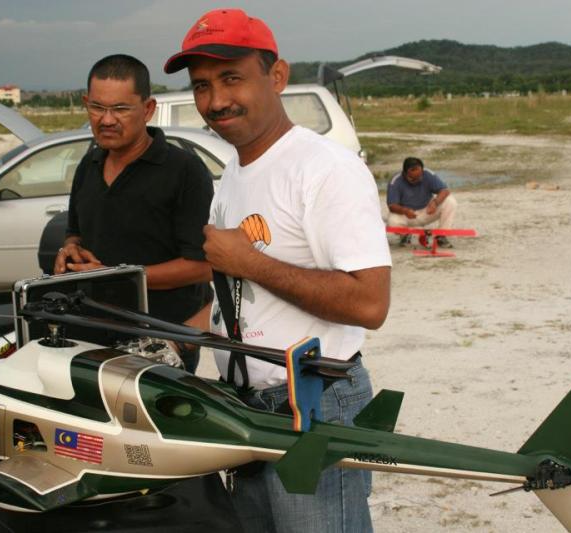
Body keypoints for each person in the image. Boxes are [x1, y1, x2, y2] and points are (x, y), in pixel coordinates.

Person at [164, 8, 391, 532]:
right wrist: (175, 340)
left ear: (278, 76)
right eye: (201, 86)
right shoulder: (234, 175)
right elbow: (238, 297)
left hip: (314, 405)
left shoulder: (326, 169)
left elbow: (369, 304)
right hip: (247, 410)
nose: (216, 100)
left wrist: (250, 261)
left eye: (231, 78)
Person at [54, 54, 214, 372]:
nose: (107, 119)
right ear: (86, 103)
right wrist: (70, 248)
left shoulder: (184, 171)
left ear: (148, 108)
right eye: (97, 107)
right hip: (90, 338)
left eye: (121, 109)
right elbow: (76, 231)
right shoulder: (89, 164)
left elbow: (202, 267)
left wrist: (114, 276)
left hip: (161, 342)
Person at [387, 157, 458, 247]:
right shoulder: (396, 181)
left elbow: (445, 190)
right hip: (407, 214)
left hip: (427, 211)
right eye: (412, 178)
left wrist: (435, 203)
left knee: (450, 202)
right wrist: (405, 210)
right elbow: (392, 205)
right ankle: (405, 235)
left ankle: (441, 236)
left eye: (419, 177)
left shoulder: (428, 174)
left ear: (422, 171)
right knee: (392, 222)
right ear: (404, 174)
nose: (416, 180)